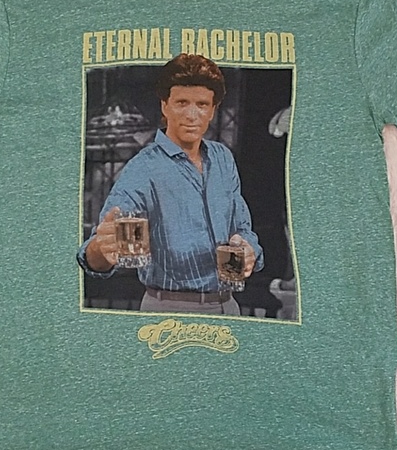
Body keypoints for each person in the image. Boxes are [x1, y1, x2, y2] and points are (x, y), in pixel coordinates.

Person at [77, 53, 264, 315]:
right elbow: (100, 250)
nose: (192, 115)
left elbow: (242, 227)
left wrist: (249, 249)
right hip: (168, 308)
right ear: (165, 106)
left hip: (228, 305)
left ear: (213, 110)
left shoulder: (223, 158)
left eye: (202, 104)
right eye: (181, 103)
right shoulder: (144, 167)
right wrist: (99, 248)